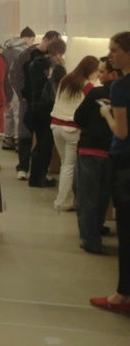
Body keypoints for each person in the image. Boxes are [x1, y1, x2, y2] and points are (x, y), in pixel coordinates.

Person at [90, 31, 130, 313]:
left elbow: (122, 131)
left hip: (124, 162)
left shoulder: (120, 87)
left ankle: (122, 295)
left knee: (125, 232)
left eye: (115, 49)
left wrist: (106, 114)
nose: (110, 54)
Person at [74, 56, 117, 254]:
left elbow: (79, 117)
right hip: (113, 152)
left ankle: (90, 238)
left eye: (102, 72)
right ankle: (96, 230)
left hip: (90, 149)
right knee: (102, 196)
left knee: (86, 196)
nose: (99, 76)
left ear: (113, 73)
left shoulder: (97, 93)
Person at [50, 55, 100, 211]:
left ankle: (64, 200)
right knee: (69, 167)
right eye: (97, 71)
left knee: (66, 165)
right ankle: (63, 202)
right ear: (90, 70)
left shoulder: (66, 79)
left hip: (56, 125)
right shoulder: (88, 86)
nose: (97, 75)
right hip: (73, 128)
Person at [26, 37, 67, 188]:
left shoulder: (34, 64)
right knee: (46, 143)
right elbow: (62, 86)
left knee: (40, 142)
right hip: (48, 107)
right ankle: (39, 178)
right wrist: (62, 67)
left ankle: (36, 176)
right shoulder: (57, 67)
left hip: (35, 105)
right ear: (59, 52)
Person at [2, 27, 36, 150]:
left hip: (6, 84)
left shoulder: (6, 49)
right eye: (33, 39)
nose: (32, 42)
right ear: (28, 38)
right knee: (18, 114)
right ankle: (18, 141)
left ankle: (7, 139)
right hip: (18, 85)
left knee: (8, 113)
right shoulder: (25, 51)